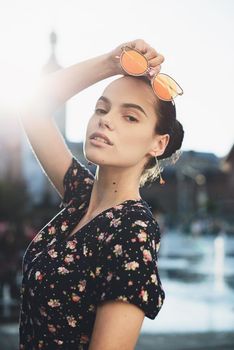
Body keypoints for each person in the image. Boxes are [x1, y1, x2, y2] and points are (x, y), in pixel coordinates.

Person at [18, 38, 184, 349]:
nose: (105, 120)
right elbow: (32, 107)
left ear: (158, 144)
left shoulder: (132, 229)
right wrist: (111, 62)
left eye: (130, 117)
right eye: (101, 108)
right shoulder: (81, 197)